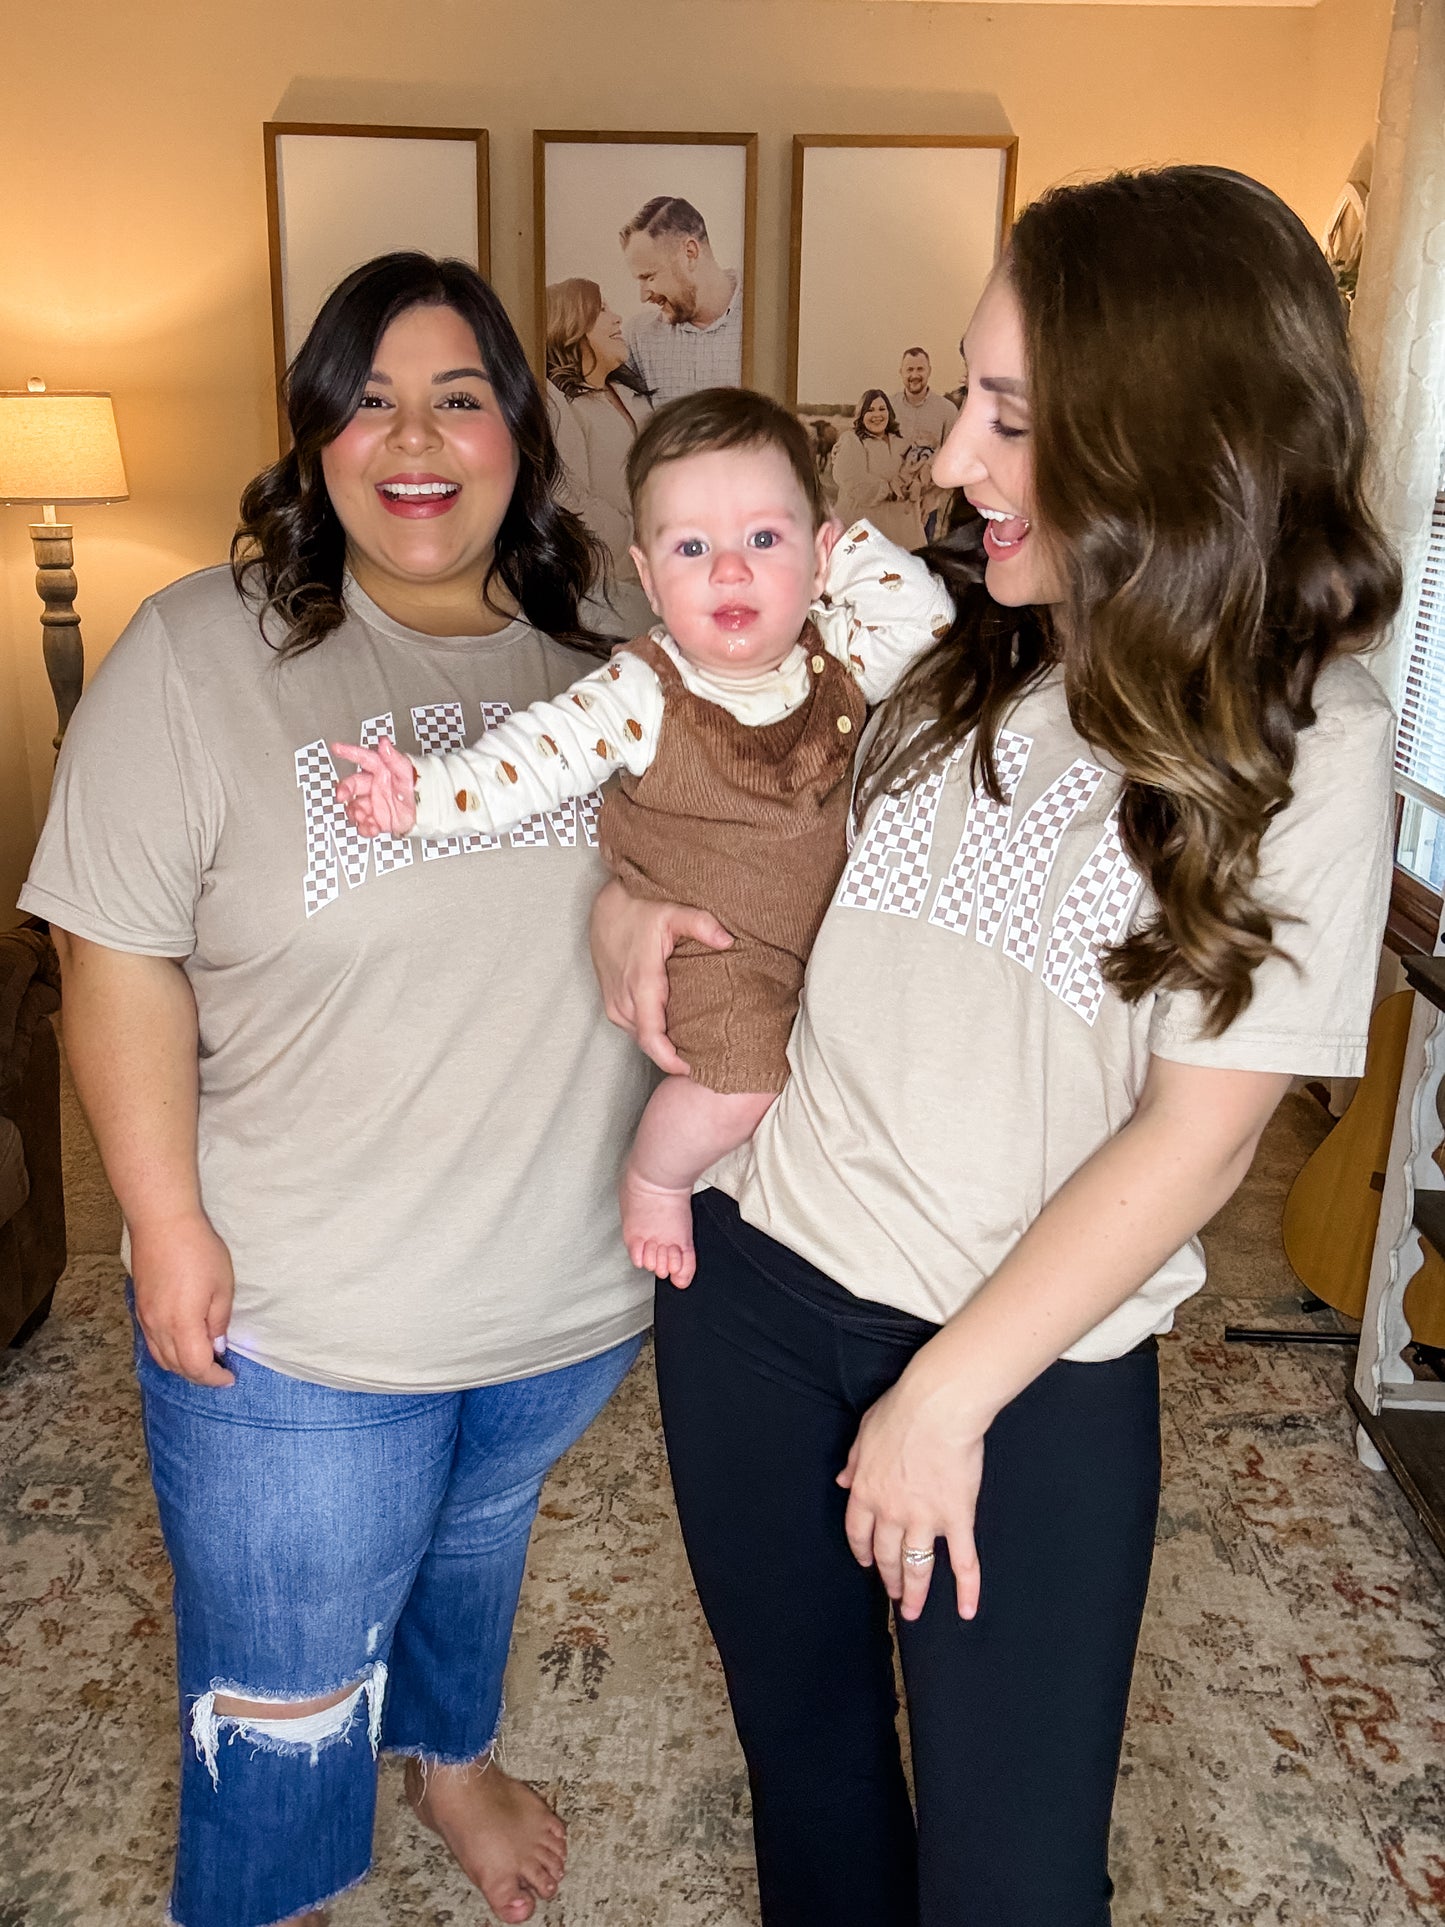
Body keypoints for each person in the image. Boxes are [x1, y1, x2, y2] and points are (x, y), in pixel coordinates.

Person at [589, 167, 1400, 1924]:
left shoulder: (1304, 736)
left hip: (1023, 1371)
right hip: (750, 1282)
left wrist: (941, 1398)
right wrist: (624, 910)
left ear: (1177, 436)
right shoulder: (946, 653)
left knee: (1011, 1876)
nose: (952, 458)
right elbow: (724, 820)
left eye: (1012, 418)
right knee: (806, 1778)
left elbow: (1194, 1142)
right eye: (972, 400)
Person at [18, 252, 662, 1927]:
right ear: (313, 439)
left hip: (563, 1301)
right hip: (301, 1326)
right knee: (288, 1698)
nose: (415, 436)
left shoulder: (606, 654)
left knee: (473, 1544)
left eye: (459, 395)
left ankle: (450, 1755)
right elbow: (115, 953)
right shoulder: (194, 656)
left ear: (519, 431)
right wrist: (160, 1221)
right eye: (367, 398)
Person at [333, 388, 954, 1288]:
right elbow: (528, 761)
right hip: (717, 945)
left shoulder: (843, 652)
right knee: (744, 1079)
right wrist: (423, 793)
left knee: (872, 1057)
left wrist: (840, 545)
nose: (730, 572)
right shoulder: (639, 690)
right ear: (650, 575)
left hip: (833, 934)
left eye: (764, 540)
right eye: (692, 548)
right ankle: (654, 1175)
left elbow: (926, 619)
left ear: (819, 556)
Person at [544, 276, 654, 635]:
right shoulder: (558, 404)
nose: (618, 318)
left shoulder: (632, 396)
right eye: (602, 309)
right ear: (572, 323)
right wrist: (633, 537)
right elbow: (566, 494)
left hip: (656, 585)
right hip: (600, 596)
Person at [620, 195, 744, 403]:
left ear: (690, 252)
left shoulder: (764, 319)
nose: (643, 296)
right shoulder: (637, 339)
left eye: (649, 276)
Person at [830, 389, 927, 550]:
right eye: (870, 410)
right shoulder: (852, 441)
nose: (877, 415)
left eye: (882, 409)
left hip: (903, 535)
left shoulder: (903, 442)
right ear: (861, 414)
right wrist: (891, 489)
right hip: (863, 533)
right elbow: (856, 484)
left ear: (889, 412)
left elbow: (918, 472)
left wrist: (917, 485)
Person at [891, 347, 959, 540]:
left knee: (921, 564)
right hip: (889, 505)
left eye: (920, 369)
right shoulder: (887, 408)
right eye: (909, 370)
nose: (914, 375)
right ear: (901, 372)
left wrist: (933, 496)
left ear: (929, 370)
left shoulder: (947, 411)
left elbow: (953, 461)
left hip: (925, 508)